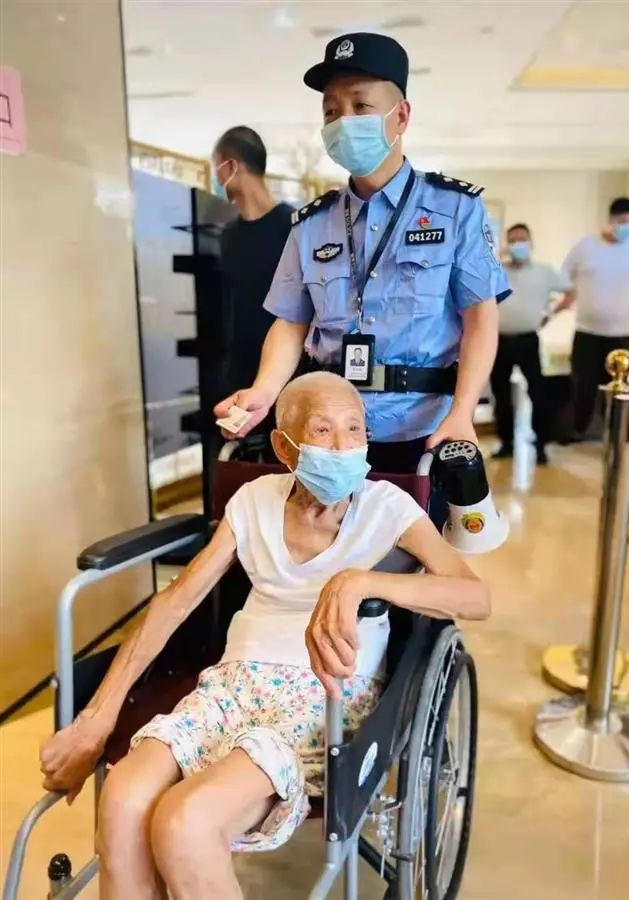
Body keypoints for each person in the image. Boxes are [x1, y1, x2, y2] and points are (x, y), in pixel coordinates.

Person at [39, 372, 489, 900]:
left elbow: (474, 597)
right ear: (284, 446)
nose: (343, 446)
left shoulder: (387, 507)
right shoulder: (253, 501)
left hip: (319, 701)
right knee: (121, 801)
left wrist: (360, 581)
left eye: (355, 429)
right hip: (227, 690)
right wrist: (96, 719)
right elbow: (175, 601)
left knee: (185, 823)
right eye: (322, 430)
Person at [215, 32, 510, 474]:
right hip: (329, 434)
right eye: (331, 111)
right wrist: (264, 390)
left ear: (401, 116)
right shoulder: (312, 224)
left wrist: (463, 411)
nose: (343, 122)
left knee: (415, 523)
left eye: (360, 106)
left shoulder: (454, 209)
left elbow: (480, 318)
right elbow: (291, 322)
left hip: (423, 432)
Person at [212, 126, 294, 460]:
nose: (217, 177)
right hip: (239, 378)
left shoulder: (293, 227)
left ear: (232, 166)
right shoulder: (228, 236)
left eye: (218, 167)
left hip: (287, 377)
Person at [560, 196, 629, 438]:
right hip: (588, 331)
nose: (626, 226)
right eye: (622, 221)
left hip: (622, 332)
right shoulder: (587, 246)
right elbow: (565, 274)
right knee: (583, 386)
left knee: (619, 390)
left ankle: (614, 435)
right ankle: (579, 432)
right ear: (610, 220)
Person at [490, 223, 572, 465]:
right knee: (501, 394)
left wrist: (550, 314)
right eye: (513, 240)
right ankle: (506, 443)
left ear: (531, 243)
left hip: (528, 340)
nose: (518, 245)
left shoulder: (544, 272)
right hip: (499, 340)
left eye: (522, 239)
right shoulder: (496, 270)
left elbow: (570, 291)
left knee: (538, 392)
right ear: (507, 244)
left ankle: (541, 444)